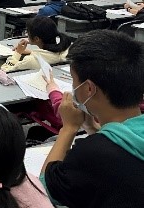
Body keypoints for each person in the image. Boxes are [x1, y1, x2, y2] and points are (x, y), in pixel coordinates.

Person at [41, 30, 144, 208]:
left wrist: (69, 128)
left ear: (89, 89)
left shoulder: (92, 154)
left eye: (73, 80)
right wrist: (92, 128)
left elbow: (44, 190)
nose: (73, 86)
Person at [1, 17, 71, 72]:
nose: (26, 35)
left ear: (37, 39)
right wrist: (31, 52)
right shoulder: (66, 53)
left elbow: (5, 70)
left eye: (28, 32)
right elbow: (49, 55)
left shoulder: (30, 60)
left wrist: (17, 53)